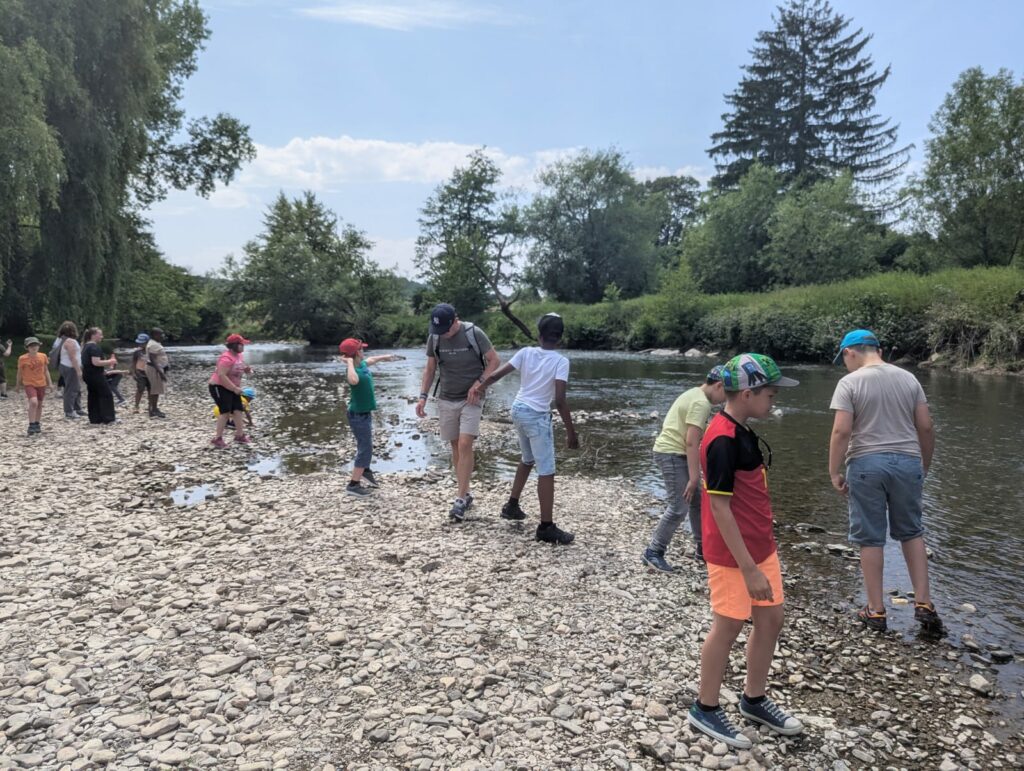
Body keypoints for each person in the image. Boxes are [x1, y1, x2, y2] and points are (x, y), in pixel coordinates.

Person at [688, 353, 803, 750]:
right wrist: (748, 568)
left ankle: (753, 699)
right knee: (728, 626)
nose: (774, 400)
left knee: (771, 619)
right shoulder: (721, 439)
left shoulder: (742, 429)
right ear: (749, 393)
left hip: (760, 547)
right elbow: (719, 508)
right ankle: (705, 707)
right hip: (734, 556)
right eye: (770, 394)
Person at [828, 329, 944, 637]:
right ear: (877, 350)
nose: (845, 365)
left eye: (843, 359)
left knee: (870, 537)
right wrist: (923, 465)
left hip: (866, 463)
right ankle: (924, 603)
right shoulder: (909, 379)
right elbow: (926, 427)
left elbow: (841, 431)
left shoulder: (850, 382)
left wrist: (834, 471)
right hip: (908, 462)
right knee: (912, 532)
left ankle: (876, 610)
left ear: (850, 352)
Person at [470, 313, 579, 543]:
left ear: (539, 336)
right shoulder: (561, 361)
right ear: (560, 338)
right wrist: (571, 432)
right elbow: (560, 400)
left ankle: (512, 506)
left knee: (528, 459)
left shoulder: (526, 352)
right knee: (546, 470)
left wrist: (479, 388)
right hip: (536, 416)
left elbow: (496, 375)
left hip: (518, 409)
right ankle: (546, 527)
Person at [415, 303, 500, 521]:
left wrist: (479, 384)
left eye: (446, 329)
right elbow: (430, 368)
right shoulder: (435, 337)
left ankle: (460, 499)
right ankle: (466, 492)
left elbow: (495, 361)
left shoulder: (474, 333)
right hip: (446, 397)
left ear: (455, 320)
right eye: (439, 330)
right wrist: (423, 397)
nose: (443, 333)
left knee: (464, 443)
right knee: (455, 446)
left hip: (472, 397)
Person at [641, 365, 727, 571]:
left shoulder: (694, 393)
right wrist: (694, 477)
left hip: (675, 452)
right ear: (719, 385)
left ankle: (703, 549)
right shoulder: (701, 403)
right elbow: (691, 441)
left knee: (697, 501)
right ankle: (653, 552)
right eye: (726, 393)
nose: (725, 400)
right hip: (672, 454)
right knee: (679, 507)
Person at [339, 338, 401, 498]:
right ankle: (353, 485)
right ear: (356, 353)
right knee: (365, 448)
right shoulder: (353, 370)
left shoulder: (361, 365)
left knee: (367, 446)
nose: (364, 351)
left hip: (364, 414)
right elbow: (353, 381)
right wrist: (349, 363)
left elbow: (371, 360)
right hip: (357, 415)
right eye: (361, 349)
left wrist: (385, 357)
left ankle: (365, 470)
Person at [209, 333, 252, 448]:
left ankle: (240, 435)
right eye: (241, 344)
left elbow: (238, 368)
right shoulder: (226, 358)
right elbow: (221, 375)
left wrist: (247, 370)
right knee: (225, 412)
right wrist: (234, 388)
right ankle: (217, 439)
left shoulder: (239, 356)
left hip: (233, 387)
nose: (243, 346)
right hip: (219, 386)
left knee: (238, 410)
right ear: (234, 345)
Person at [80, 328, 117, 425]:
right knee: (106, 394)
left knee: (93, 395)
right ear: (93, 335)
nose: (102, 337)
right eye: (100, 334)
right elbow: (96, 362)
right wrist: (110, 361)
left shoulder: (85, 346)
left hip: (88, 374)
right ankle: (109, 418)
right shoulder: (94, 347)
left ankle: (95, 418)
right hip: (95, 375)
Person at [16, 337, 52, 435]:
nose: (34, 347)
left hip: (41, 383)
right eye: (31, 346)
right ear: (27, 347)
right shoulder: (22, 358)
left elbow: (46, 370)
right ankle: (31, 424)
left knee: (39, 404)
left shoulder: (43, 356)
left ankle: (37, 423)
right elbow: (19, 372)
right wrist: (17, 385)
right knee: (33, 402)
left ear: (39, 346)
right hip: (29, 383)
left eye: (35, 345)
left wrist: (50, 383)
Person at [54, 321, 86, 419]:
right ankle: (69, 411)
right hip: (70, 367)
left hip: (65, 366)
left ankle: (77, 408)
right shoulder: (70, 342)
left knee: (76, 388)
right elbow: (73, 357)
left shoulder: (61, 340)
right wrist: (78, 370)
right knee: (71, 389)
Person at [145, 328, 170, 418]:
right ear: (155, 335)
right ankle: (153, 410)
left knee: (156, 389)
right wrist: (160, 372)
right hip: (154, 369)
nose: (163, 336)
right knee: (155, 390)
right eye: (161, 334)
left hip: (156, 368)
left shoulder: (155, 343)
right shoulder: (153, 345)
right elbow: (152, 359)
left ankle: (153, 408)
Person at [131, 333, 151, 412]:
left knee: (151, 389)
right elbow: (134, 362)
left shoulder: (151, 351)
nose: (141, 344)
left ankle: (150, 405)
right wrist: (133, 372)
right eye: (139, 343)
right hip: (140, 372)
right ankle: (136, 406)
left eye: (143, 343)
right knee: (140, 389)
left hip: (150, 372)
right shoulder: (137, 352)